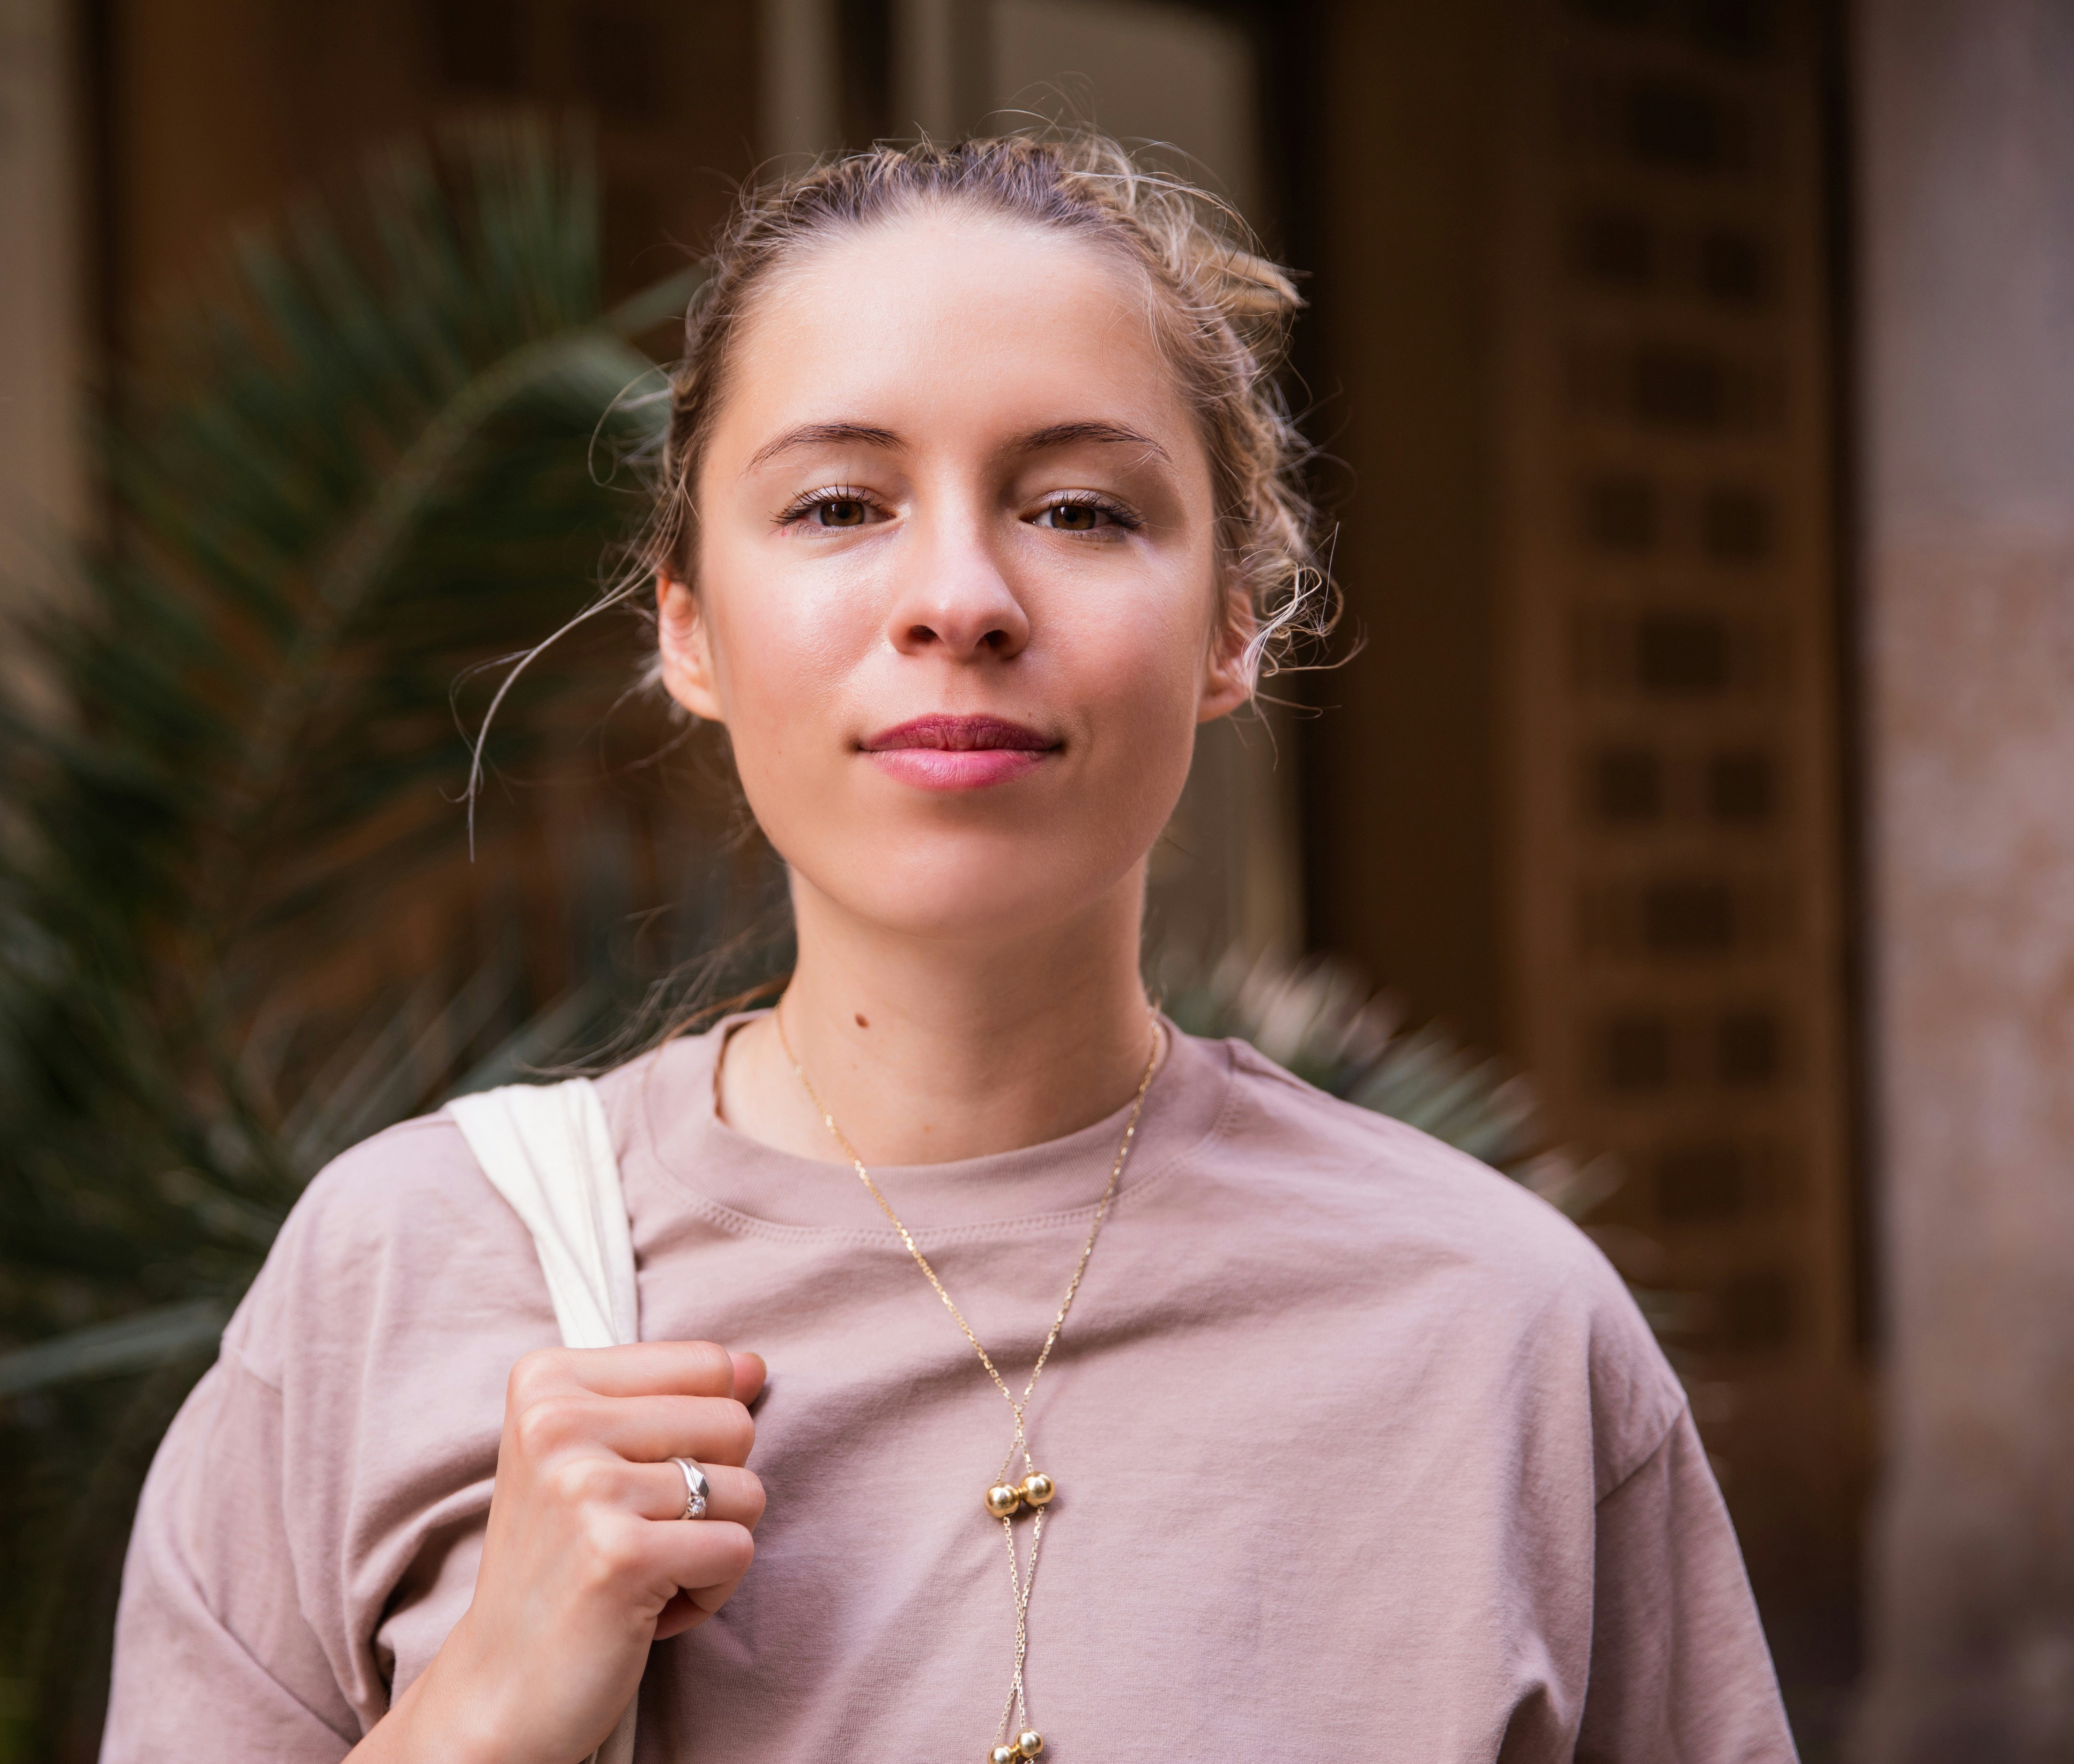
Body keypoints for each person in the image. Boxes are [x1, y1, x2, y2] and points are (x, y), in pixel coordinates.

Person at [101, 130, 1795, 1764]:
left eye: (1078, 510)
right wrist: (474, 1720)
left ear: (1229, 629)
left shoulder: (1496, 1330)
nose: (960, 597)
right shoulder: (398, 1280)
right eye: (840, 505)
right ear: (686, 628)